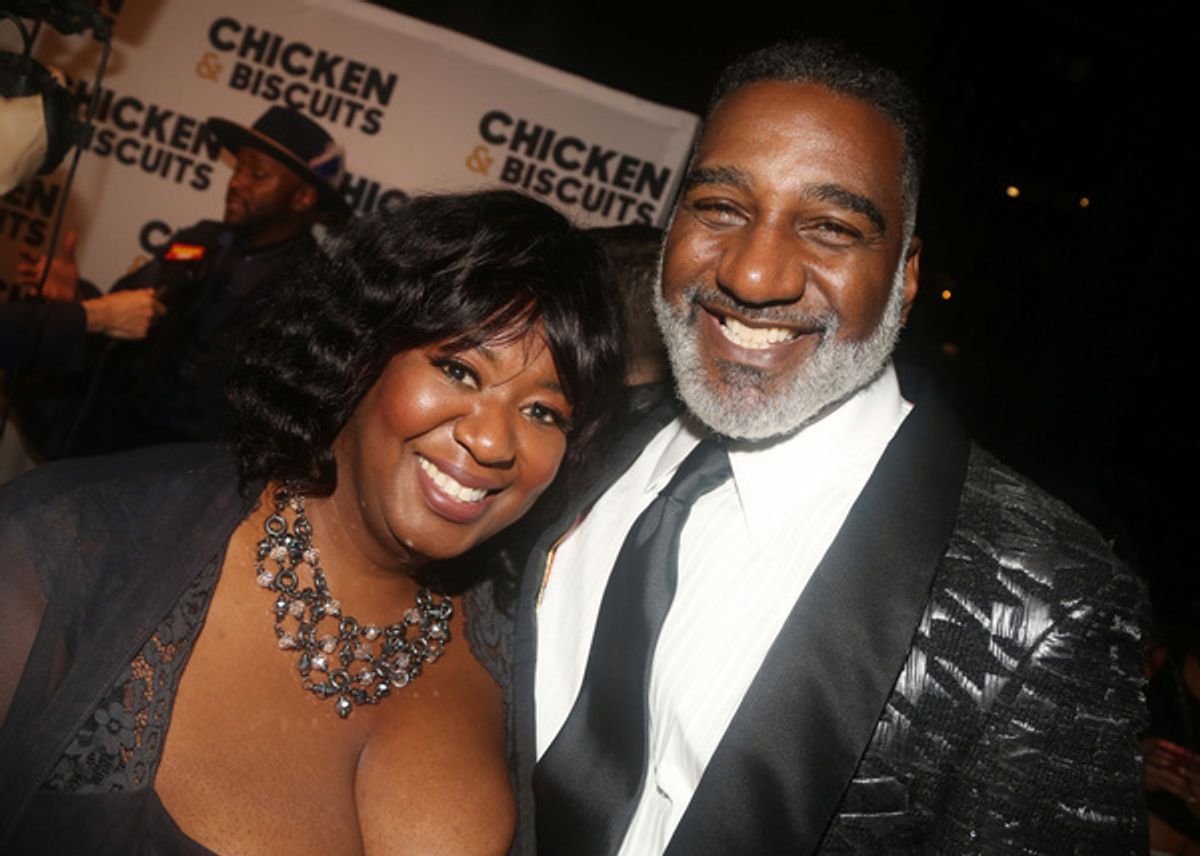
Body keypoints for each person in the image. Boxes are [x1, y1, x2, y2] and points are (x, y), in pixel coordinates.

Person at [522, 41, 1147, 854]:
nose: (753, 274)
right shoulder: (591, 436)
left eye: (830, 226)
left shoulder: (1043, 603)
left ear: (906, 275)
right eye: (719, 208)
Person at [0, 190, 624, 855]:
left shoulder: (529, 651)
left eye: (543, 413)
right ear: (360, 351)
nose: (495, 441)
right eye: (459, 369)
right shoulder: (66, 549)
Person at [11, 105, 349, 458]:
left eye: (258, 173)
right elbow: (127, 309)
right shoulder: (201, 239)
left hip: (196, 480)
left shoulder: (315, 292)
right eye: (238, 168)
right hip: (110, 449)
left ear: (303, 197)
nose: (237, 182)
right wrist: (77, 299)